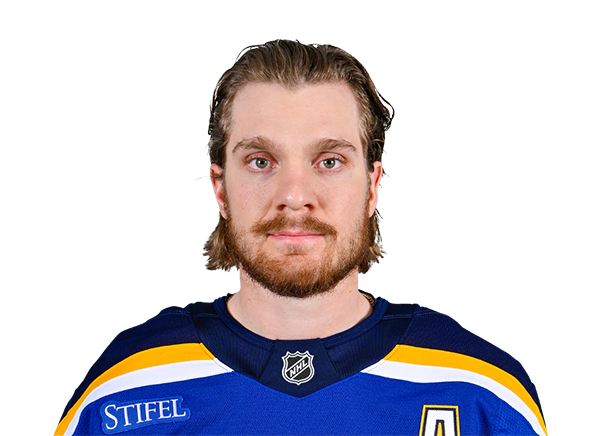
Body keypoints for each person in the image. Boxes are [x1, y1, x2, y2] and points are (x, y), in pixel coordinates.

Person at [55, 39, 547, 436]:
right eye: (260, 161)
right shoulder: (124, 388)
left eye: (329, 161)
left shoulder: (479, 392)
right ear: (220, 188)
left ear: (372, 186)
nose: (294, 196)